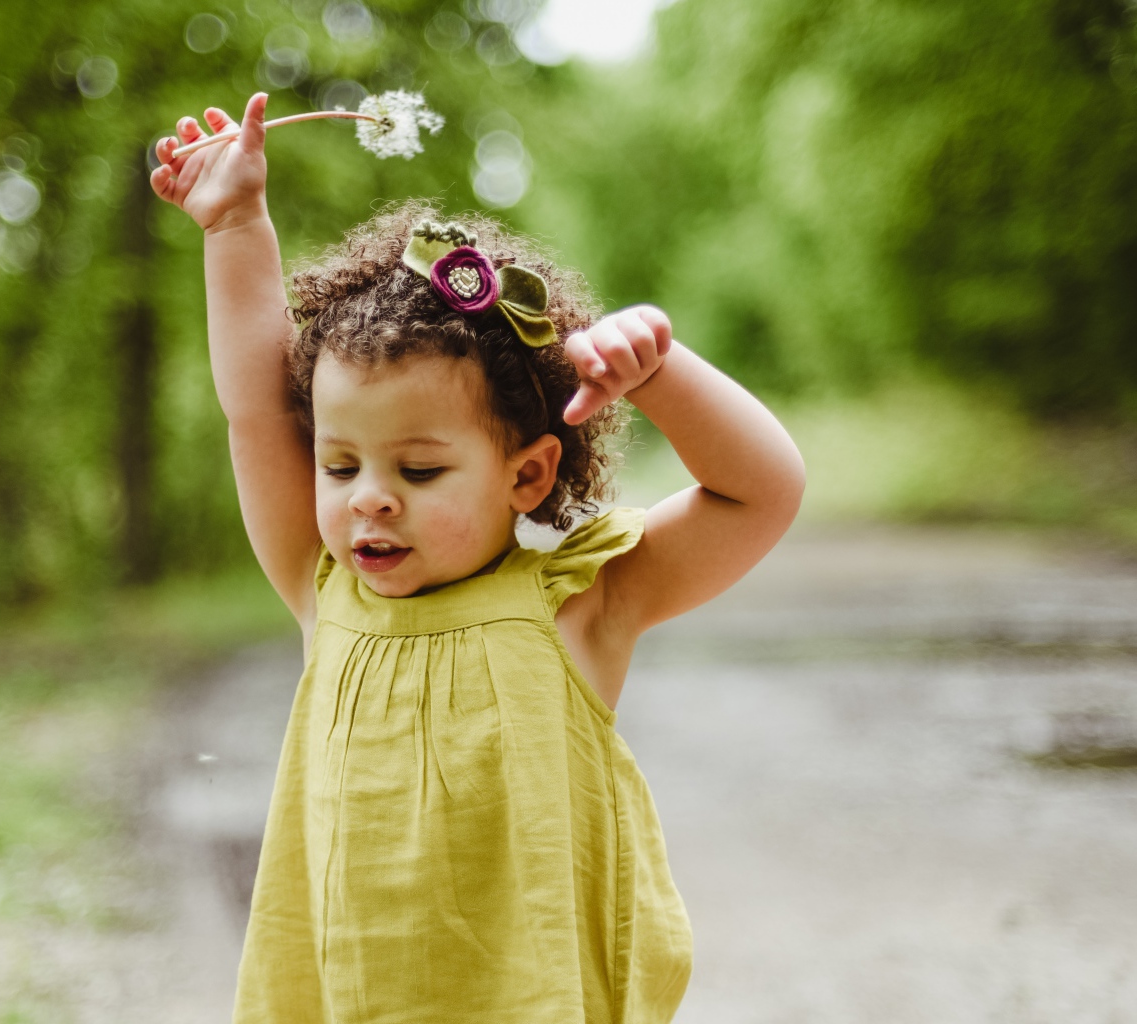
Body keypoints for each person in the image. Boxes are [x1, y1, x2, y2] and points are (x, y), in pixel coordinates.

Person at [150, 92, 806, 1024]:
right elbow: (258, 406)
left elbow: (761, 493)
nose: (368, 495)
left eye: (419, 469)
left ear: (529, 475)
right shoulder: (323, 587)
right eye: (339, 464)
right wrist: (236, 224)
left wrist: (661, 375)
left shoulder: (580, 605)